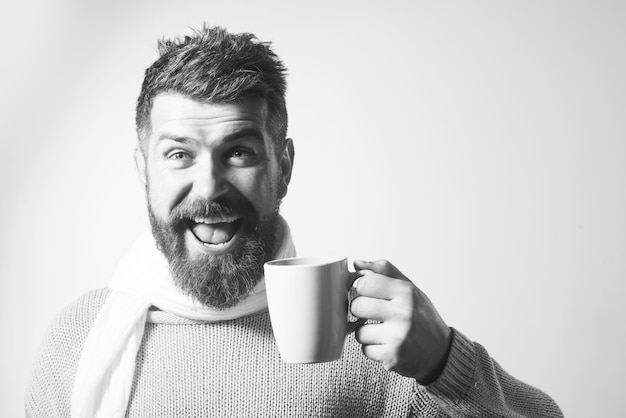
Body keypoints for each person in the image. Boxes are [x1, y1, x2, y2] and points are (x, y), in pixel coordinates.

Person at [25, 25, 563, 417]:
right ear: (143, 169)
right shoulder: (77, 340)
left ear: (283, 166)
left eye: (239, 152)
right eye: (179, 154)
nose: (209, 188)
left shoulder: (363, 340)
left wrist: (444, 362)